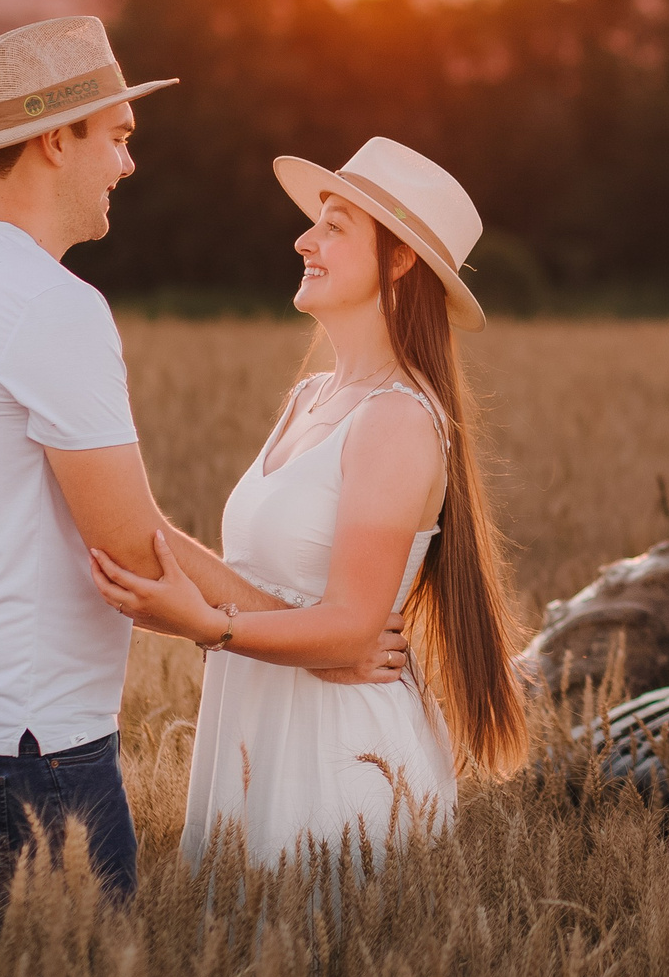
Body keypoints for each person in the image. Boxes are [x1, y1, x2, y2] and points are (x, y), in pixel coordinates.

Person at [0, 16, 408, 902]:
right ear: (52, 140)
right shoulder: (52, 306)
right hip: (18, 736)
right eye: (117, 138)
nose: (127, 164)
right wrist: (316, 644)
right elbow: (129, 545)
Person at [89, 137, 528, 869]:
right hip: (264, 732)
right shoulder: (309, 399)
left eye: (335, 225)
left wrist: (206, 624)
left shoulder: (398, 420)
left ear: (399, 259)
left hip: (340, 760)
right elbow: (270, 590)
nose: (303, 238)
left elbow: (354, 630)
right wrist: (156, 549)